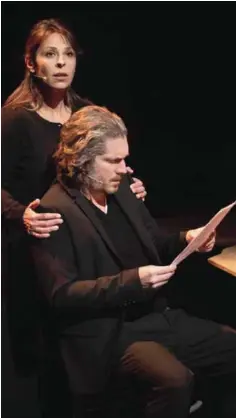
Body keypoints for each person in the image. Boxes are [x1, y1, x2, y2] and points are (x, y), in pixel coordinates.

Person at [31, 105, 236, 418]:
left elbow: (154, 243)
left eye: (124, 158)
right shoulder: (53, 210)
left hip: (155, 318)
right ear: (82, 159)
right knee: (174, 380)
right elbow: (62, 295)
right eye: (113, 161)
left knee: (231, 347)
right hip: (108, 333)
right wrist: (133, 281)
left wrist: (188, 239)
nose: (124, 168)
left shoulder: (123, 190)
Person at [1, 18, 146, 418]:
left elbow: (106, 167)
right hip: (36, 246)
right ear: (32, 63)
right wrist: (20, 215)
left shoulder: (85, 113)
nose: (61, 63)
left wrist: (130, 189)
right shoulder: (14, 119)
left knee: (91, 347)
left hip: (85, 246)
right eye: (50, 54)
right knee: (45, 357)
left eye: (68, 54)